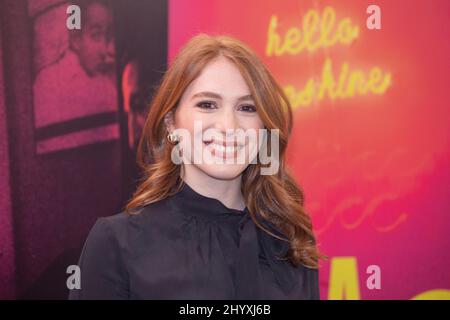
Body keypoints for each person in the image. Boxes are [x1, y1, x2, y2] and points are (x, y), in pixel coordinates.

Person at [69, 34, 323, 300]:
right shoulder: (116, 244)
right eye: (207, 104)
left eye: (247, 108)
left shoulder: (291, 243)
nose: (229, 126)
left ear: (264, 129)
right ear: (171, 122)